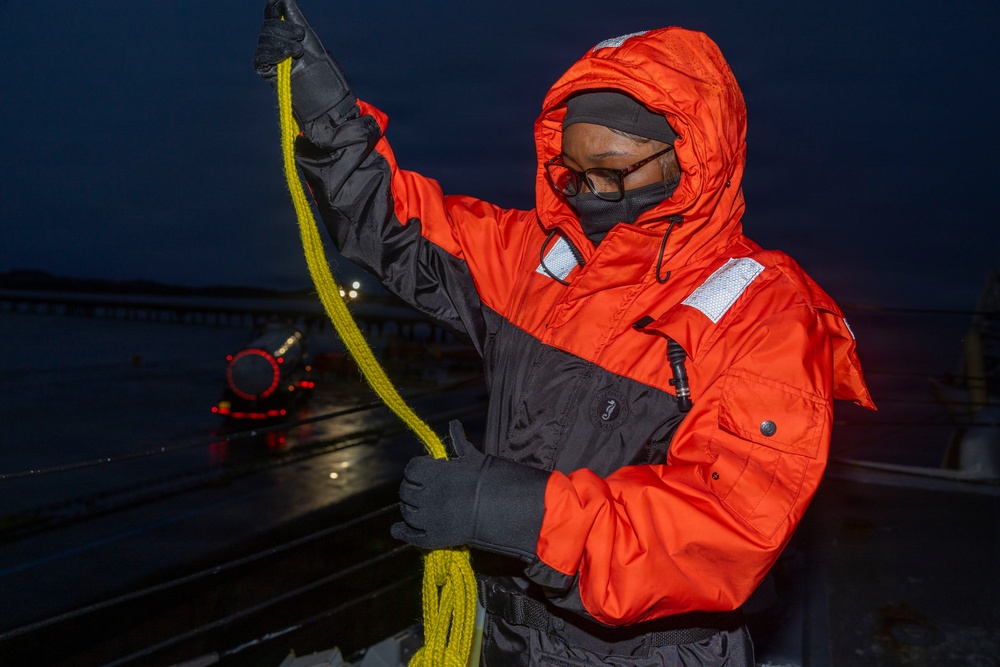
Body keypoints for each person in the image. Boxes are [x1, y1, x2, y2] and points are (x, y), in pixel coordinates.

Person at [254, 3, 876, 665]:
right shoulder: (539, 256)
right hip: (505, 633)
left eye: (612, 172)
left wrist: (512, 511)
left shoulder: (770, 316)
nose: (589, 195)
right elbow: (395, 223)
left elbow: (722, 531)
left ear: (695, 154)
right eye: (572, 174)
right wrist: (323, 112)